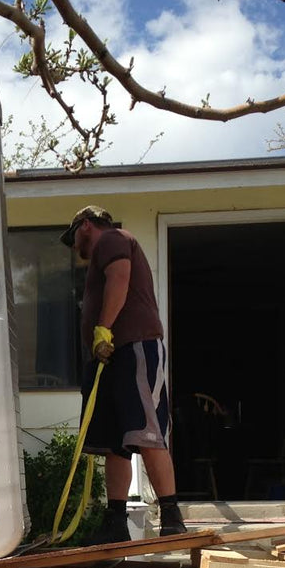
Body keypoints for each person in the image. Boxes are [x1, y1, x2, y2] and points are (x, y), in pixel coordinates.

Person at [61, 205, 186, 543]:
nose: (74, 246)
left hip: (134, 347)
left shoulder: (112, 239)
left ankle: (172, 518)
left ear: (85, 225)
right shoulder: (103, 249)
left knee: (147, 432)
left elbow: (120, 277)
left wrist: (103, 328)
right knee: (115, 444)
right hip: (110, 357)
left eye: (73, 237)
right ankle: (116, 522)